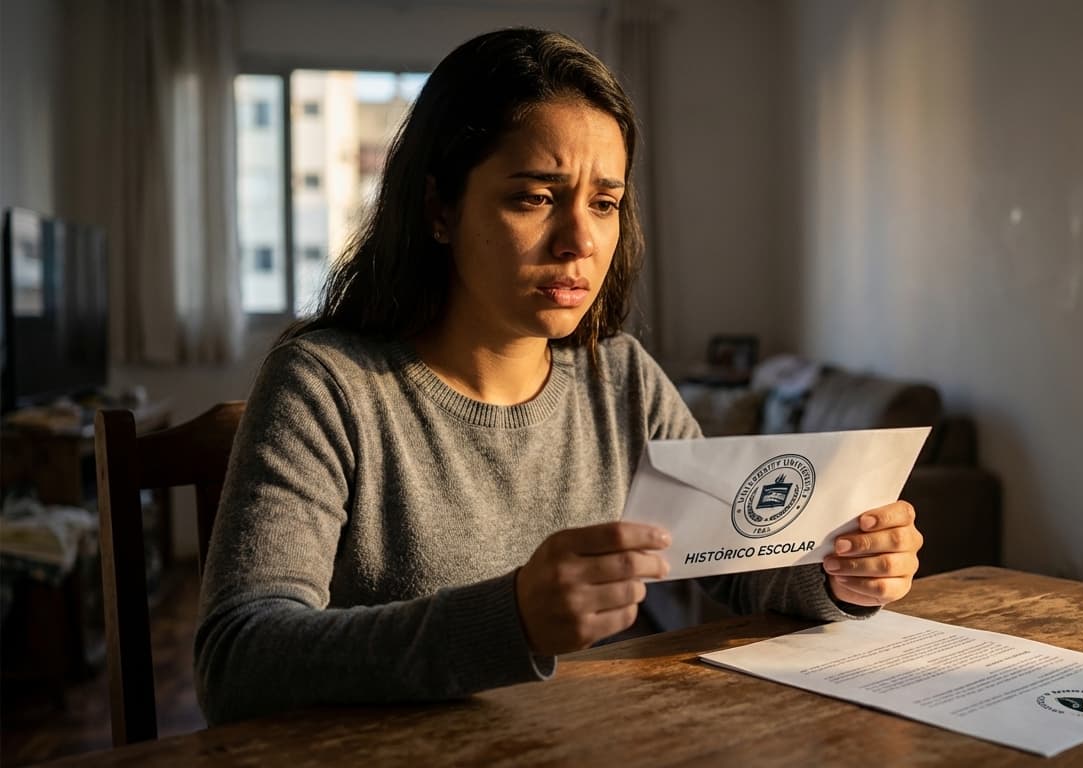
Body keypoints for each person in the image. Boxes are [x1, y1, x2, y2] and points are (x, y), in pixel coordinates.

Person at [195, 28, 923, 725]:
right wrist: (508, 619)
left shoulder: (623, 381)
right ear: (439, 208)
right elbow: (238, 661)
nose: (580, 240)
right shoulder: (325, 385)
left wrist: (838, 574)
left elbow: (733, 561)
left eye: (604, 203)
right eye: (534, 197)